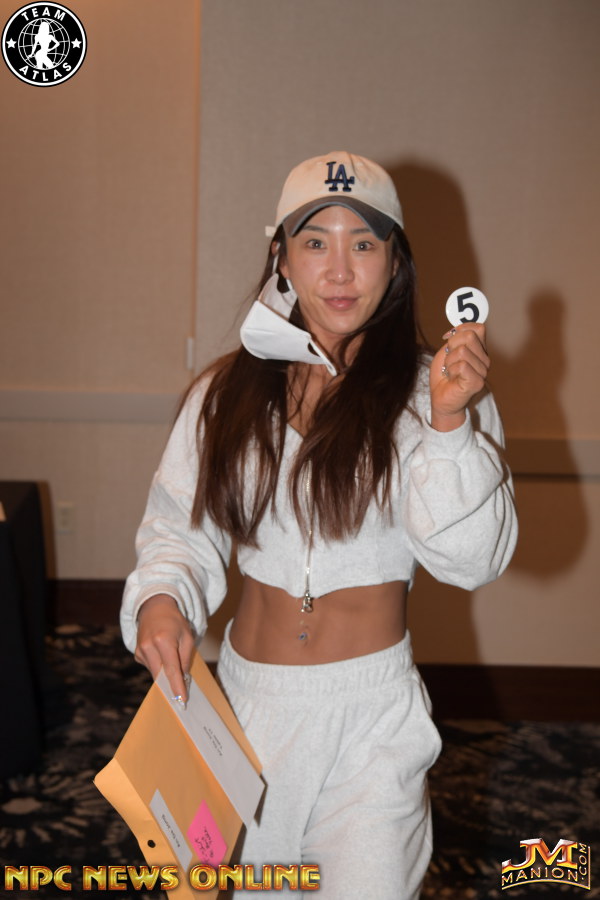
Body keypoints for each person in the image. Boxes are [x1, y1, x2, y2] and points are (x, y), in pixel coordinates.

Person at [120, 151, 517, 899]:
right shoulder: (225, 394)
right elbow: (179, 528)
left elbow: (471, 561)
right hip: (245, 716)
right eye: (315, 242)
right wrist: (162, 599)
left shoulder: (438, 392)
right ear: (281, 257)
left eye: (363, 243)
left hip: (371, 724)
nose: (339, 270)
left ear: (395, 262)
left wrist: (448, 424)